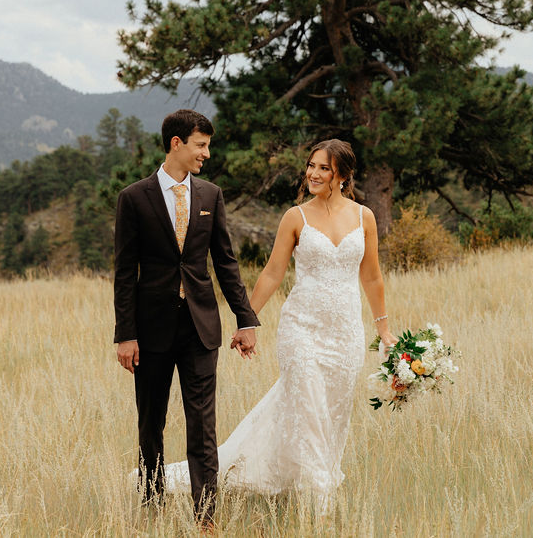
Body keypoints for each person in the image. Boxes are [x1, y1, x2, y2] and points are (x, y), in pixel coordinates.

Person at [160, 138, 398, 511]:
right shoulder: (296, 216)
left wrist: (384, 329)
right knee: (308, 410)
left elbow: (372, 278)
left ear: (344, 175)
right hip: (301, 331)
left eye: (323, 168)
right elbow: (272, 274)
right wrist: (246, 320)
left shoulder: (364, 217)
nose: (313, 173)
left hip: (346, 335)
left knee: (332, 415)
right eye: (311, 165)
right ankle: (319, 506)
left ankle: (288, 479)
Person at [113, 109, 260, 527]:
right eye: (200, 144)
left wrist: (245, 320)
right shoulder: (133, 198)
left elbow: (226, 263)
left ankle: (206, 518)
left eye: (208, 145)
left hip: (201, 329)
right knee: (151, 425)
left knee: (203, 426)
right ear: (176, 143)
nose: (206, 154)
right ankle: (154, 509)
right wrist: (126, 335)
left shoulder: (211, 195)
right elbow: (125, 273)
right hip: (151, 331)